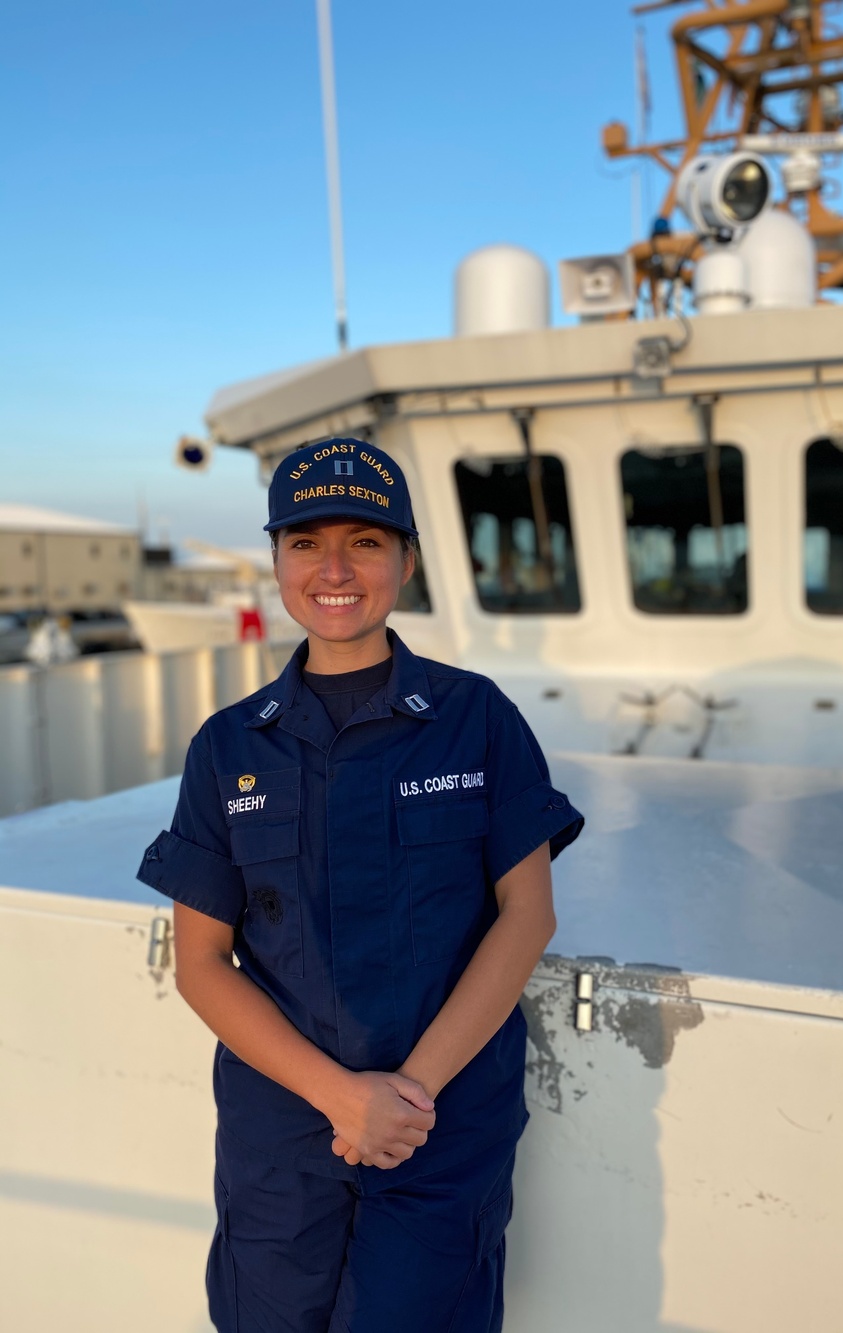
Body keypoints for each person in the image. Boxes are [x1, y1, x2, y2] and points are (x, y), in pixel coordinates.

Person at [137, 437, 584, 1333]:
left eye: (366, 541)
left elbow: (526, 917)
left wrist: (403, 1096)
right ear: (276, 561)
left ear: (406, 560)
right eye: (305, 542)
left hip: (440, 1123)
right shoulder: (228, 746)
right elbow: (201, 963)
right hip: (283, 1131)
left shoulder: (475, 717)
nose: (334, 568)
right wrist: (342, 1096)